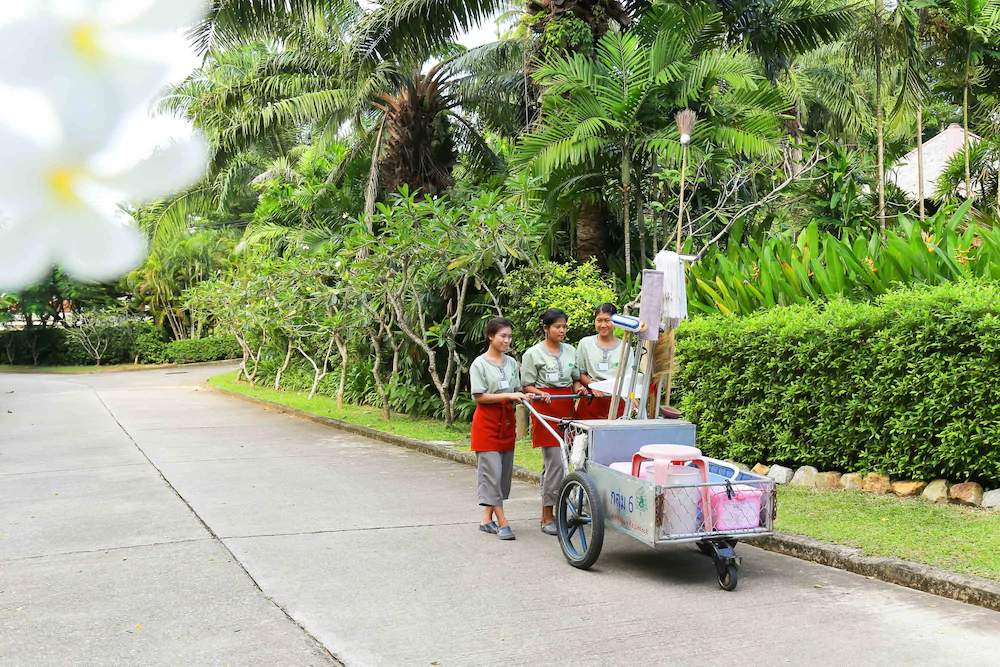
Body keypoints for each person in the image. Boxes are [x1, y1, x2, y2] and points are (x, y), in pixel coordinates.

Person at [521, 308, 584, 535]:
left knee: (564, 461)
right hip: (545, 410)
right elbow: (526, 385)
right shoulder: (532, 354)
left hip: (567, 409)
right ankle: (547, 515)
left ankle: (561, 511)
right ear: (545, 328)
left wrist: (580, 388)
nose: (562, 330)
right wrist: (539, 392)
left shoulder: (571, 351)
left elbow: (575, 380)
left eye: (564, 326)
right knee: (556, 462)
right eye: (557, 326)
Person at [469, 317, 527, 541]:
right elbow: (479, 396)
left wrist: (524, 396)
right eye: (503, 336)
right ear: (491, 336)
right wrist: (510, 395)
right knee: (491, 473)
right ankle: (503, 521)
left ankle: (486, 519)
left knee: (502, 476)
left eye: (509, 336)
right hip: (486, 424)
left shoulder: (511, 363)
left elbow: (516, 389)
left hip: (507, 423)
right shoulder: (479, 364)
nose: (507, 340)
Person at [576, 303, 632, 420]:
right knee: (586, 437)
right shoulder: (585, 343)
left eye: (607, 320)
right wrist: (593, 386)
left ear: (615, 321)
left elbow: (629, 379)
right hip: (591, 399)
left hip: (617, 400)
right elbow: (580, 373)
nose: (603, 325)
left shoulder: (626, 347)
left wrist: (632, 399)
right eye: (599, 320)